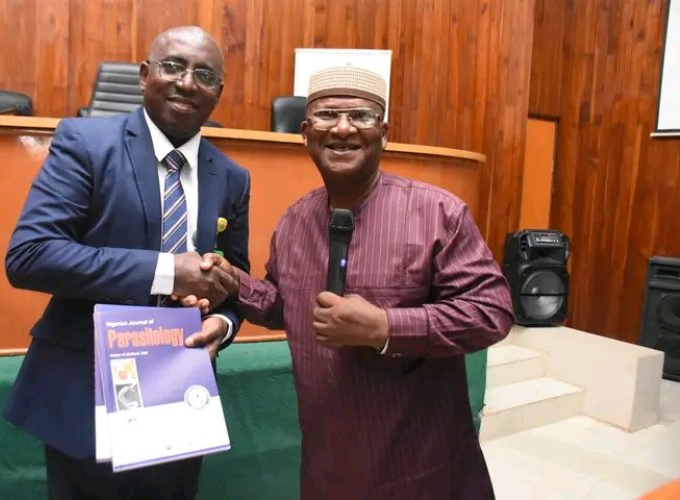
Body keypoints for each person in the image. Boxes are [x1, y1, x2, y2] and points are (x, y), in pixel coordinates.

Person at [201, 66, 513, 499]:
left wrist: (386, 327)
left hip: (419, 467)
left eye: (361, 116)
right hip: (328, 466)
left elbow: (491, 311)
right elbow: (285, 308)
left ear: (384, 134)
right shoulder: (294, 221)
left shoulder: (438, 213)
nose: (343, 128)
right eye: (328, 115)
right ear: (305, 133)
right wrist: (234, 283)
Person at [3, 26, 249, 499]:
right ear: (143, 75)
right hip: (87, 393)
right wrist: (166, 270)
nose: (187, 82)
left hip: (179, 397)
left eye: (204, 75)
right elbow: (30, 255)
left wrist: (223, 323)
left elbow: (233, 278)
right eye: (173, 67)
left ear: (218, 91)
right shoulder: (86, 142)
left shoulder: (232, 177)